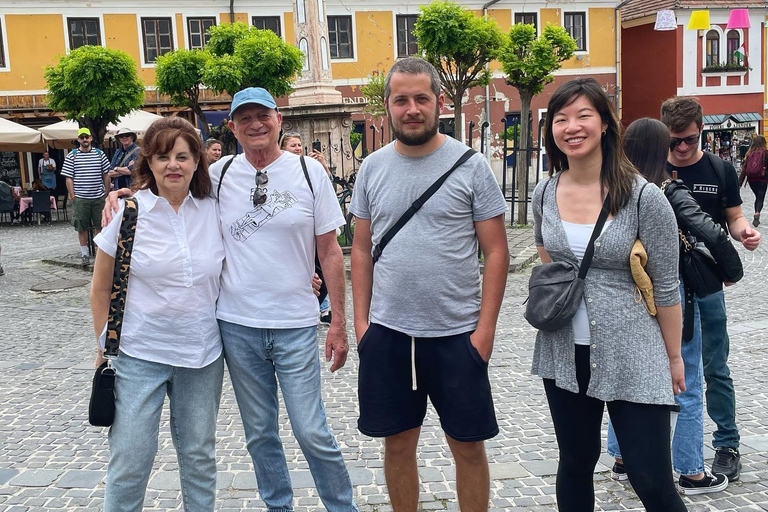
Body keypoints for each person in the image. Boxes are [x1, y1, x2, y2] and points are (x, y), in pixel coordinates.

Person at [349, 57, 509, 511]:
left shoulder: (471, 165)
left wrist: (485, 331)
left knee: (468, 447)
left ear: (439, 102)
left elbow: (496, 251)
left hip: (457, 334)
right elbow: (360, 249)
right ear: (387, 107)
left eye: (421, 98)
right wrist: (363, 325)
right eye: (401, 100)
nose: (412, 109)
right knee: (397, 445)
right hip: (390, 334)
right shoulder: (372, 168)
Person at [531, 79, 687, 512]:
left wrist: (673, 358)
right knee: (576, 463)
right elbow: (551, 266)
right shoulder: (545, 192)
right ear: (551, 131)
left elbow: (667, 285)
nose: (571, 127)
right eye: (560, 118)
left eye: (583, 115)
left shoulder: (643, 197)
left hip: (634, 349)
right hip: (563, 350)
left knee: (650, 476)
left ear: (604, 124)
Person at [211, 88, 356, 511]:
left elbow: (330, 250)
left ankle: (341, 506)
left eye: (263, 115)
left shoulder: (309, 173)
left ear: (278, 119)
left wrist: (339, 322)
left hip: (295, 322)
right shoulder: (218, 174)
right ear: (234, 127)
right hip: (237, 325)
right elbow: (169, 195)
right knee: (259, 432)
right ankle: (279, 506)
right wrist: (122, 196)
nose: (255, 124)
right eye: (245, 118)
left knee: (312, 429)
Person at [90, 116, 225, 512]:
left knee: (199, 459)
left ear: (197, 160)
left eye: (182, 156)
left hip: (201, 356)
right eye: (163, 156)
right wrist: (103, 347)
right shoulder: (129, 213)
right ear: (147, 162)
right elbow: (100, 287)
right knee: (130, 460)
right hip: (139, 355)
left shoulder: (213, 208)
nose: (173, 165)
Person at [606, 118, 742, 495]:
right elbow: (707, 227)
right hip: (670, 291)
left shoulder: (612, 188)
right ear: (660, 149)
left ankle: (621, 460)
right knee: (686, 377)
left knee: (626, 379)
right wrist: (731, 268)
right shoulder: (665, 188)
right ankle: (691, 470)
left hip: (627, 294)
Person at [662, 96, 761, 482]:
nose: (681, 149)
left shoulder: (719, 168)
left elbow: (734, 217)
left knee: (715, 366)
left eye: (688, 139)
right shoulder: (651, 169)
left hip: (707, 285)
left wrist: (745, 234)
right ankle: (659, 445)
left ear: (701, 128)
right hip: (660, 288)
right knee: (663, 368)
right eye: (673, 142)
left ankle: (726, 444)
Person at [280, 131, 333, 324]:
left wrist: (323, 167)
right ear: (283, 149)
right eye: (293, 145)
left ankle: (324, 306)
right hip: (295, 232)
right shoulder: (281, 171)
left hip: (314, 228)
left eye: (299, 145)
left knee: (319, 265)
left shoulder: (310, 168)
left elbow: (327, 194)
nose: (298, 149)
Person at [61, 127, 111, 265]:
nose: (84, 139)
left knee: (100, 226)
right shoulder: (72, 155)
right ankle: (84, 254)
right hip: (81, 197)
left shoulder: (100, 154)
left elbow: (106, 174)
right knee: (81, 227)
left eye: (86, 137)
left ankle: (100, 254)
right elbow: (68, 177)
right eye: (81, 137)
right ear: (78, 140)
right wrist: (73, 195)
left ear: (91, 138)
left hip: (98, 196)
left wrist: (106, 194)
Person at [740, 134, 768, 227]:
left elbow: (744, 169)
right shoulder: (765, 152)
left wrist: (739, 182)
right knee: (760, 197)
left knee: (757, 196)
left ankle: (756, 212)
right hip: (762, 178)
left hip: (751, 179)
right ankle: (757, 213)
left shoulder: (749, 154)